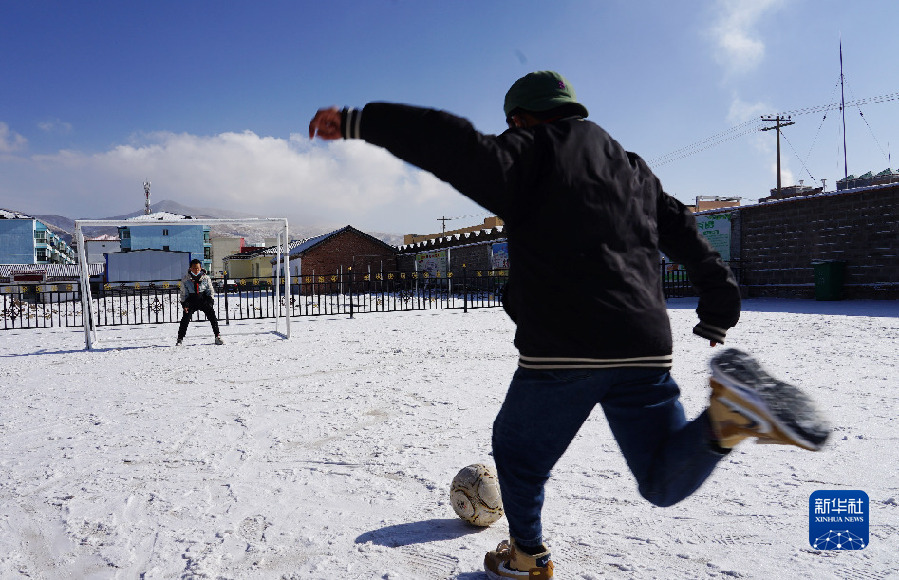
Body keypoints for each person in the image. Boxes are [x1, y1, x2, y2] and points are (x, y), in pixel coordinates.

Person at [309, 71, 829, 579]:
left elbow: (447, 141)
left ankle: (526, 559)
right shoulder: (633, 170)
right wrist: (719, 302)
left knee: (518, 455)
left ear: (520, 119)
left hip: (563, 345)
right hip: (643, 344)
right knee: (660, 479)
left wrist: (359, 121)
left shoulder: (525, 153)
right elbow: (686, 232)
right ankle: (726, 419)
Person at [177, 258, 224, 346]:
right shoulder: (185, 279)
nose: (196, 270)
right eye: (194, 268)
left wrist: (210, 301)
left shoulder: (206, 278)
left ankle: (217, 336)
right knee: (185, 319)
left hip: (203, 300)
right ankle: (180, 339)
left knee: (212, 316)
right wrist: (185, 304)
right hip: (191, 301)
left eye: (197, 268)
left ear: (201, 268)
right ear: (190, 268)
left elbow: (210, 290)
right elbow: (184, 293)